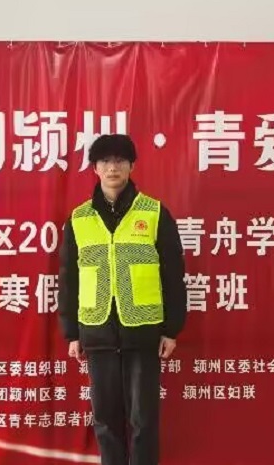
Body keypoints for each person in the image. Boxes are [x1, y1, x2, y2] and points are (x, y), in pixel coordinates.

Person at [58, 134, 187, 465]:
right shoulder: (79, 219)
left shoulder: (155, 213)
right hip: (97, 331)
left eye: (119, 161)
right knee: (105, 419)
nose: (112, 168)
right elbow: (69, 279)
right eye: (105, 161)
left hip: (143, 332)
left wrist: (171, 329)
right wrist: (72, 333)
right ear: (95, 168)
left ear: (132, 166)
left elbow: (173, 274)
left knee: (144, 418)